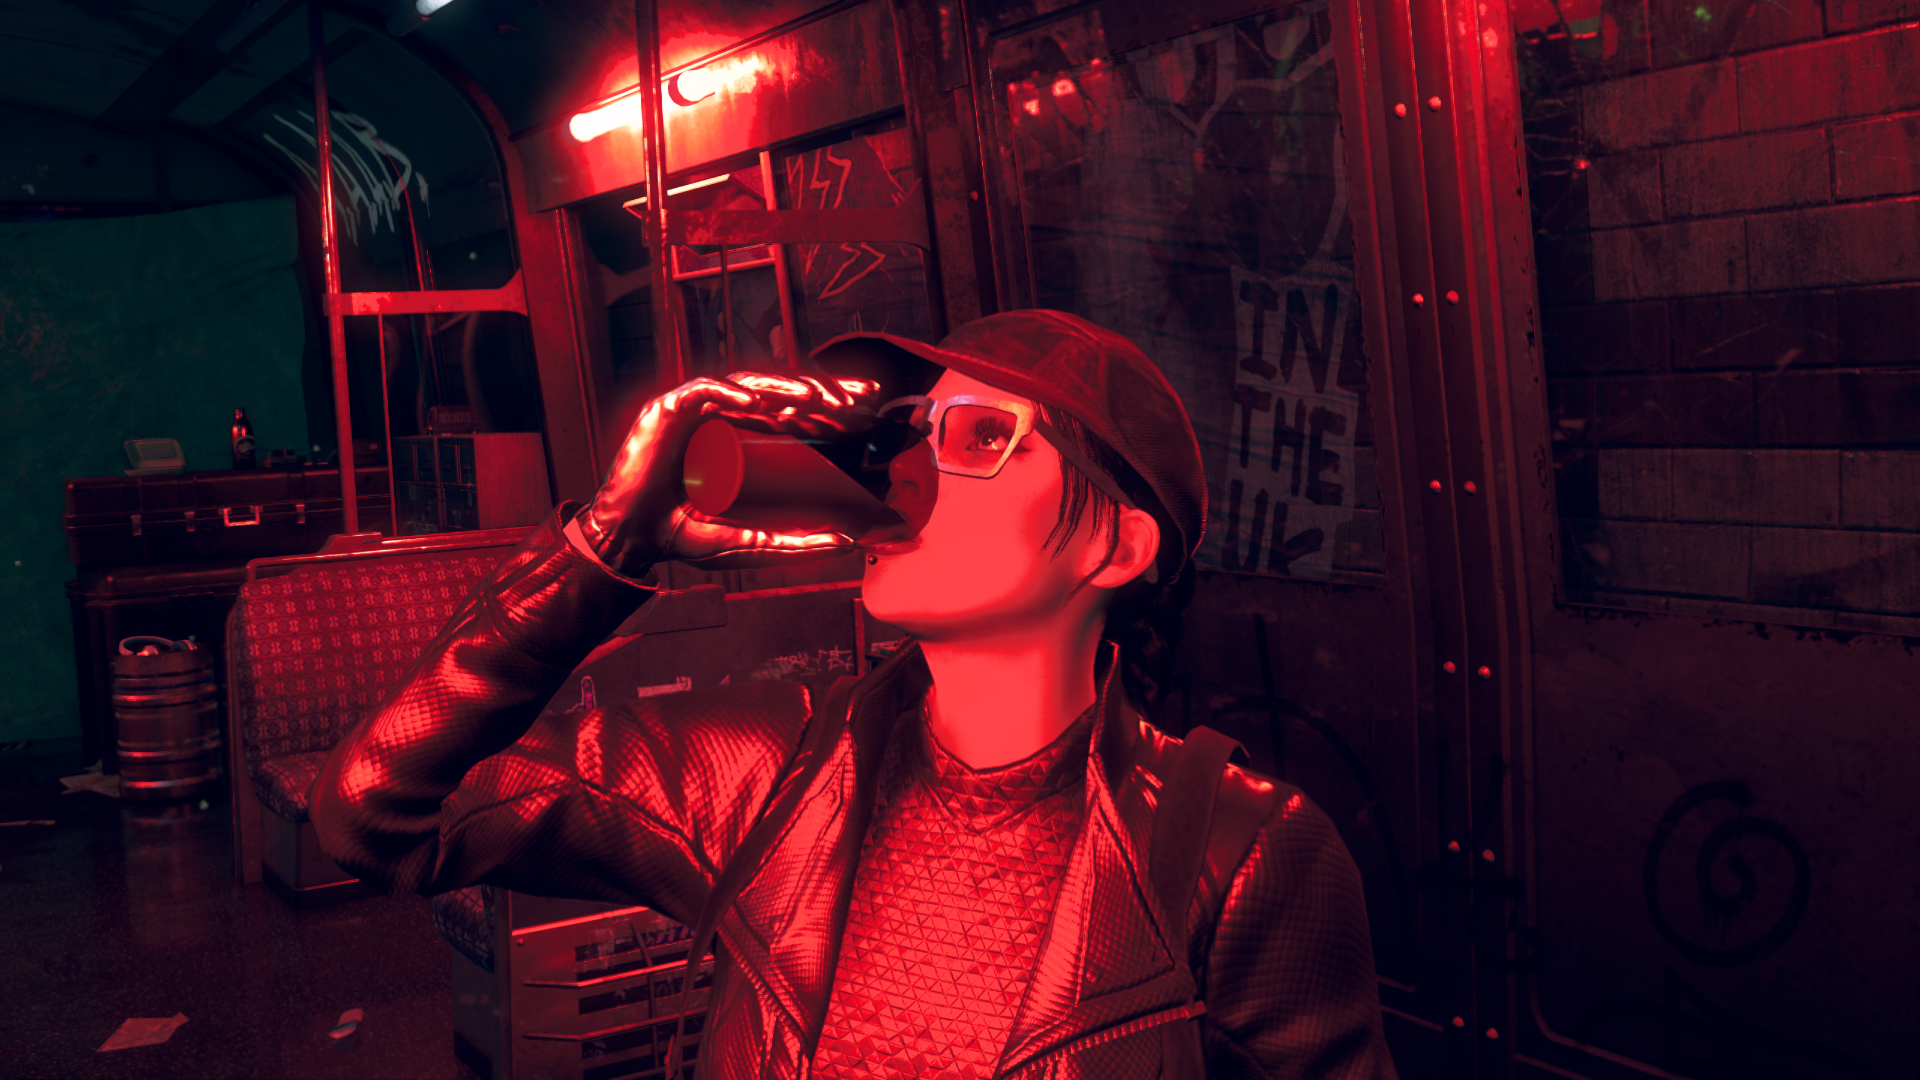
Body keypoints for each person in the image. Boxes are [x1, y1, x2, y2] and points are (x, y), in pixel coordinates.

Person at [311, 309, 1396, 1079]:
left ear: (1115, 545)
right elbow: (375, 814)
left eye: (982, 437)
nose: (905, 472)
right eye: (910, 432)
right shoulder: (762, 771)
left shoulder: (1239, 854)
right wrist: (603, 549)